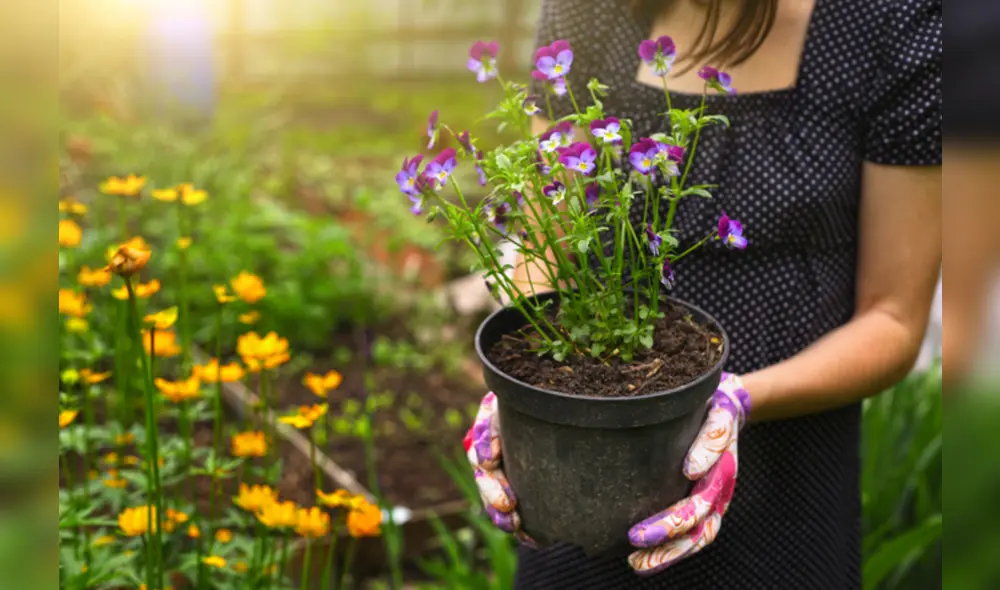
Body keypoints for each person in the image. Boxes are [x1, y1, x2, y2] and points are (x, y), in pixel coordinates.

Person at [463, 0, 942, 588]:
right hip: (582, 484)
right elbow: (546, 247)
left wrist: (734, 400)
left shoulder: (893, 22)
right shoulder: (590, 10)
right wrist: (518, 394)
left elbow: (893, 318)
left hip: (786, 496)